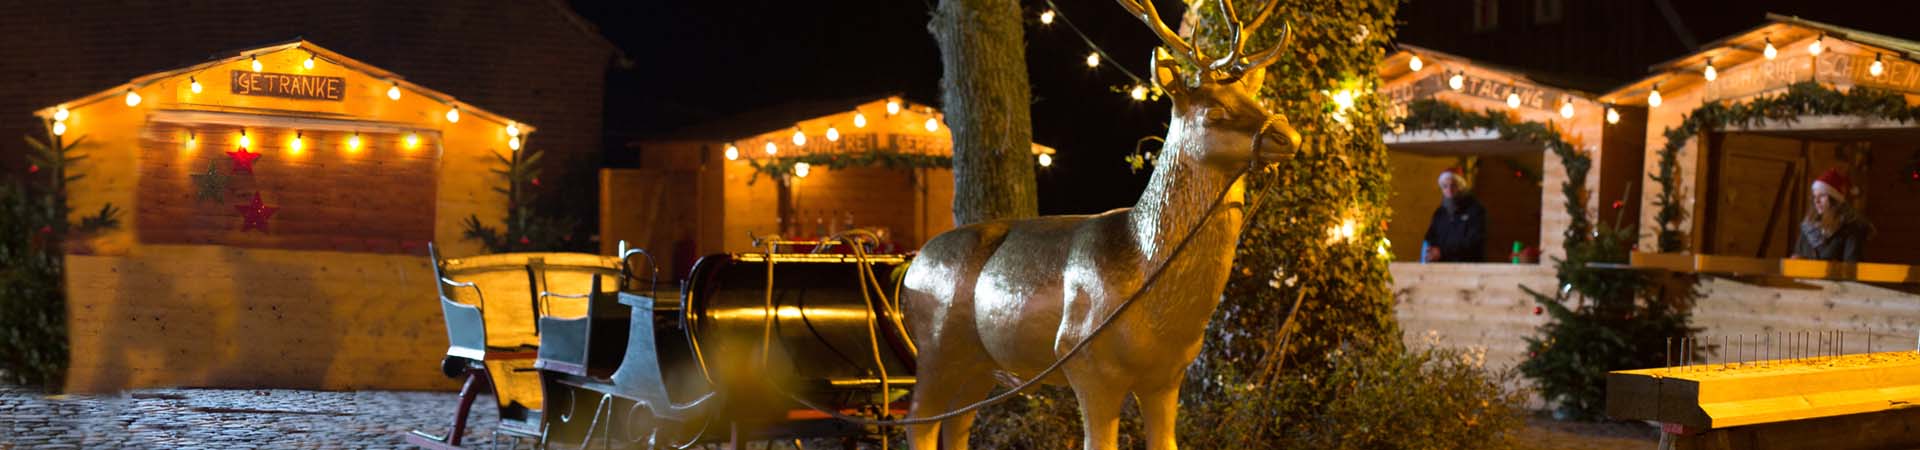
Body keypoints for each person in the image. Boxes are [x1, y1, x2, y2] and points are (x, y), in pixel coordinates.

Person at [1794, 168, 1874, 262]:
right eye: (1815, 196)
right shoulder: (1808, 228)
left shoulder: (1850, 229)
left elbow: (1851, 267)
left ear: (1835, 199)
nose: (1816, 201)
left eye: (1822, 196)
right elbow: (1798, 255)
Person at [1424, 168, 1487, 262]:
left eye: (1453, 185)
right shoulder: (1440, 213)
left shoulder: (1475, 210)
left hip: (1468, 267)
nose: (1449, 189)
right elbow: (1430, 237)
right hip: (1442, 268)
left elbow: (1474, 242)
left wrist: (1443, 252)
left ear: (1461, 186)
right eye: (1445, 186)